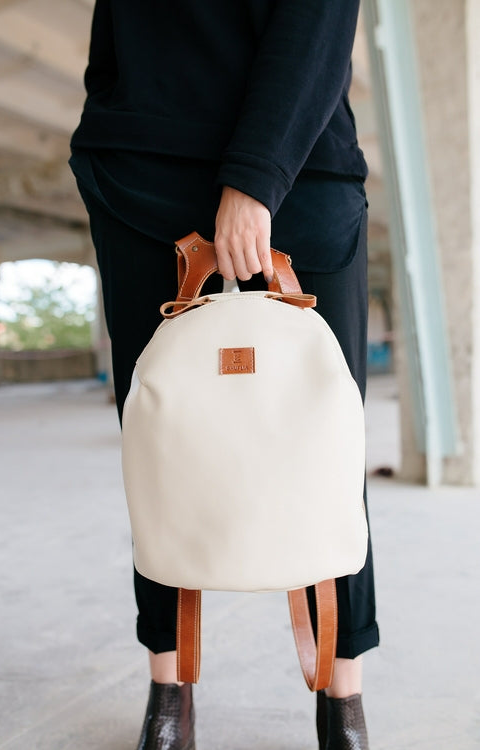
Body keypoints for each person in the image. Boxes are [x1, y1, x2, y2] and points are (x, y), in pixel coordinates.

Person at [70, 2, 379, 748]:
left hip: (296, 169)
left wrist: (254, 179)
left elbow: (319, 17)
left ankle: (342, 698)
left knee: (324, 452)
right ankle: (168, 687)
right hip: (146, 177)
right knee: (162, 448)